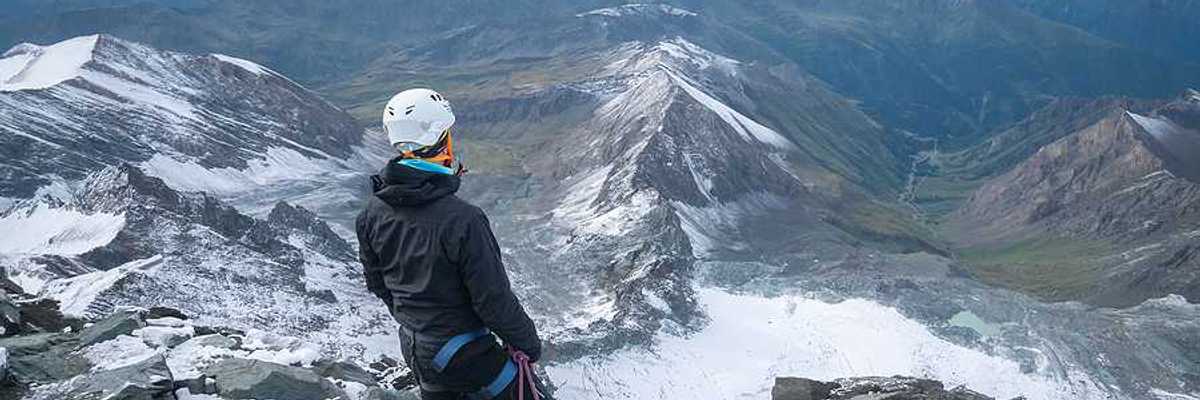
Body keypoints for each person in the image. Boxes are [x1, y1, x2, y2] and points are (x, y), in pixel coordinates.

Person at [356, 88, 550, 399]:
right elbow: (493, 301)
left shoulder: (371, 214)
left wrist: (421, 324)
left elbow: (379, 284)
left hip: (417, 348)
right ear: (440, 138)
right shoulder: (464, 220)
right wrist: (528, 344)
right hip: (466, 354)